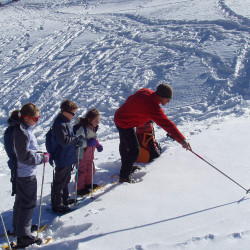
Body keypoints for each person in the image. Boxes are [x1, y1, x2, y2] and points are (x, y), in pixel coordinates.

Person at [114, 83, 192, 183]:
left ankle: (127, 167)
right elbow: (167, 124)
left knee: (125, 144)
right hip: (124, 123)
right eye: (168, 99)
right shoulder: (153, 107)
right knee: (134, 150)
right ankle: (124, 177)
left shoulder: (146, 91)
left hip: (121, 116)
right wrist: (182, 140)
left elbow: (131, 98)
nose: (168, 101)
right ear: (162, 96)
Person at [7, 103, 49, 248]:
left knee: (21, 200)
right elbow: (24, 156)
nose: (37, 122)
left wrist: (38, 154)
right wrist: (41, 159)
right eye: (36, 119)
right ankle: (24, 236)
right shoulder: (21, 131)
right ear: (26, 118)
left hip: (21, 171)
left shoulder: (21, 129)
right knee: (28, 202)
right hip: (25, 172)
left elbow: (26, 151)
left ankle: (19, 228)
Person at [50, 100, 83, 213]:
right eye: (73, 113)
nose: (74, 116)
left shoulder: (65, 123)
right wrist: (76, 138)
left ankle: (65, 199)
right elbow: (64, 141)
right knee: (59, 182)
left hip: (68, 156)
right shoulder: (59, 124)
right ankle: (57, 204)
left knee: (66, 179)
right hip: (62, 157)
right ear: (65, 112)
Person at [73, 108, 103, 195]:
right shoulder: (83, 129)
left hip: (89, 155)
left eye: (98, 120)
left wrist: (97, 145)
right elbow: (77, 141)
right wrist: (88, 143)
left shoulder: (92, 128)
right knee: (82, 171)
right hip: (81, 155)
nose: (98, 122)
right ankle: (79, 188)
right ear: (89, 119)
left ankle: (88, 184)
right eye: (96, 120)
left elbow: (93, 139)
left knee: (91, 169)